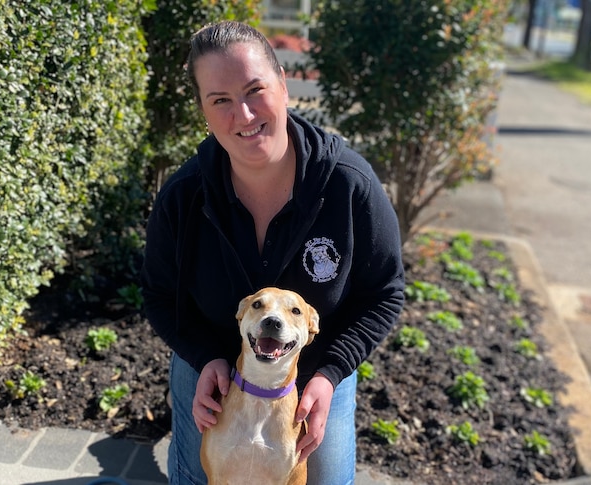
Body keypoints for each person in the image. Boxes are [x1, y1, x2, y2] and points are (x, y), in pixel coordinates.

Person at [141, 20, 405, 485]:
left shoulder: (349, 185)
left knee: (324, 481)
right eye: (220, 100)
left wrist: (331, 373)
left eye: (254, 90)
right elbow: (160, 296)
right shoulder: (184, 195)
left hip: (314, 365)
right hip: (214, 362)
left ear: (283, 84)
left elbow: (385, 292)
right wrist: (204, 358)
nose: (242, 115)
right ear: (202, 108)